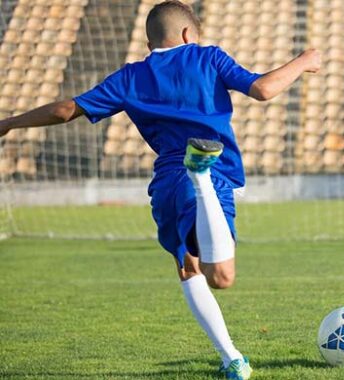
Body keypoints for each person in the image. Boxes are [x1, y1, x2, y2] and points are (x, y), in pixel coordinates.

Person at [0, 1, 320, 379]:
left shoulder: (131, 76)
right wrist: (303, 60)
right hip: (207, 169)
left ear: (151, 44)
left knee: (189, 269)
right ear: (188, 35)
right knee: (223, 277)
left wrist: (8, 123)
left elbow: (66, 109)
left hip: (166, 182)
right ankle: (200, 177)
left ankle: (232, 359)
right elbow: (263, 89)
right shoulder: (208, 57)